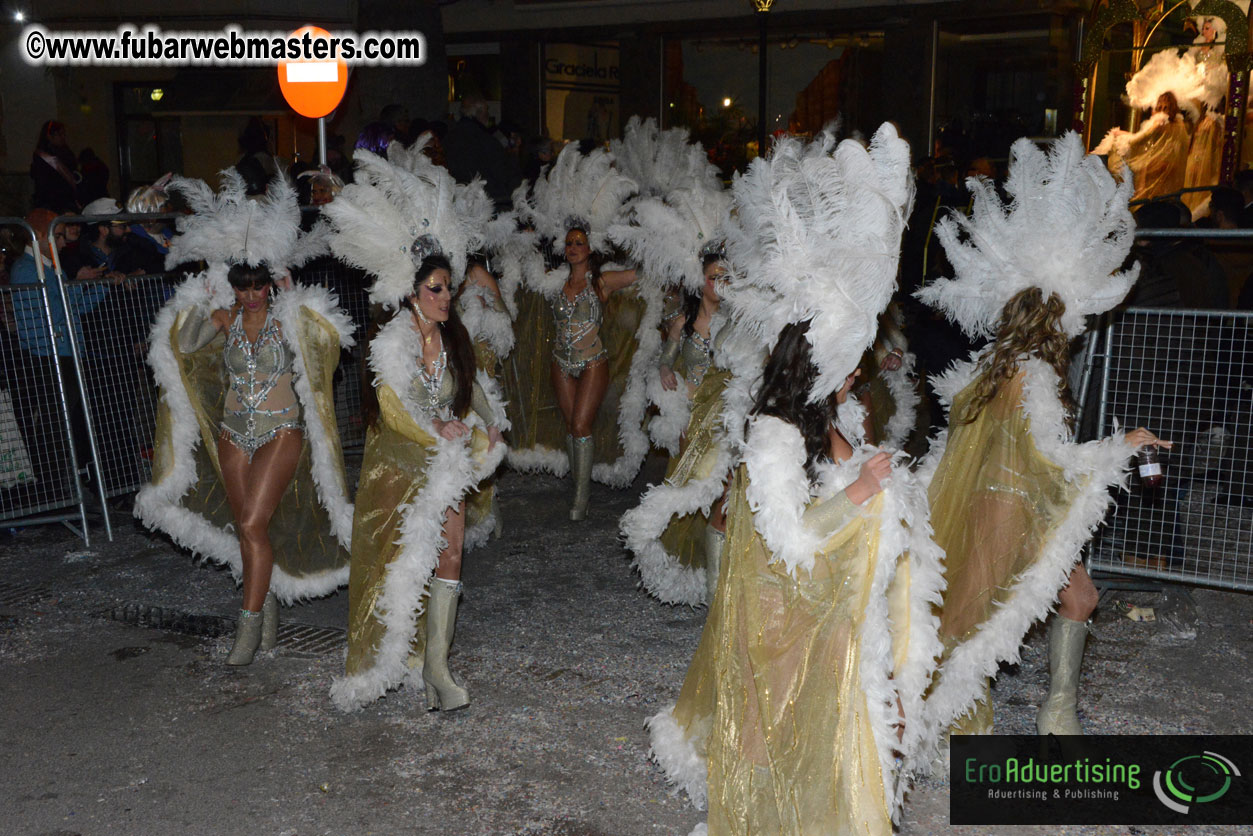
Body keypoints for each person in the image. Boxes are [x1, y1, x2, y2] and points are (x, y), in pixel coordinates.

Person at [647, 126, 941, 834]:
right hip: (792, 619)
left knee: (856, 736)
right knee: (771, 744)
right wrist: (862, 493)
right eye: (849, 353)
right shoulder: (776, 433)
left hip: (842, 615)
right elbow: (791, 536)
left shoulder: (837, 416)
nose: (858, 366)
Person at [917, 133, 1170, 747]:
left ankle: (1056, 711)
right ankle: (958, 714)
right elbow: (1051, 458)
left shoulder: (991, 368)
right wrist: (1124, 444)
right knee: (977, 619)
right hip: (1015, 509)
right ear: (1057, 320)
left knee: (1069, 598)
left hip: (1002, 501)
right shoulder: (1030, 376)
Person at [135, 174, 355, 666]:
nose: (252, 294)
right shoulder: (226, 320)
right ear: (232, 284)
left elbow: (330, 349)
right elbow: (184, 346)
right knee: (247, 528)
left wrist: (295, 300)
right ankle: (268, 601)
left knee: (254, 522)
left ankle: (247, 626)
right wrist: (201, 301)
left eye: (259, 285)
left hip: (282, 430)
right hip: (233, 433)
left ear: (270, 280)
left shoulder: (288, 318)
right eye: (243, 285)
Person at [331, 252, 506, 712]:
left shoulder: (451, 336)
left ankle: (437, 667)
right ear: (411, 295)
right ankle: (398, 660)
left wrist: (492, 421)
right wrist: (433, 426)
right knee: (397, 561)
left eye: (449, 287)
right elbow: (394, 406)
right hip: (400, 463)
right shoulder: (393, 341)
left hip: (445, 460)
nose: (447, 296)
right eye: (436, 288)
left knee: (450, 553)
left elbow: (471, 383)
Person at [444, 95, 519, 208]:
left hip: (461, 199)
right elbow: (502, 171)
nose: (488, 114)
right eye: (486, 110)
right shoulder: (485, 139)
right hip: (490, 199)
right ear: (479, 113)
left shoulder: (450, 137)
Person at [29, 121, 80, 213]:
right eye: (59, 134)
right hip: (50, 202)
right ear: (49, 136)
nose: (63, 137)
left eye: (64, 134)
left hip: (67, 200)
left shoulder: (67, 153)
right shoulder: (42, 156)